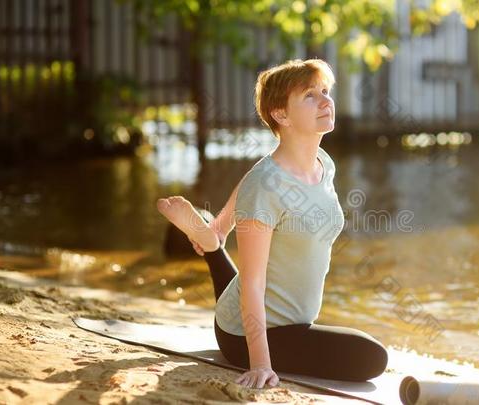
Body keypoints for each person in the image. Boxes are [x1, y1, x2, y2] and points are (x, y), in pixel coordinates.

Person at [157, 58, 388, 390]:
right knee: (371, 356)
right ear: (281, 114)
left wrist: (223, 223)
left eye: (325, 91)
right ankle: (212, 247)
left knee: (237, 278)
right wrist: (261, 364)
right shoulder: (265, 185)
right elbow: (252, 281)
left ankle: (211, 242)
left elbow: (259, 175)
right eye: (310, 95)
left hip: (293, 319)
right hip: (251, 336)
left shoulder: (323, 164)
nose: (326, 101)